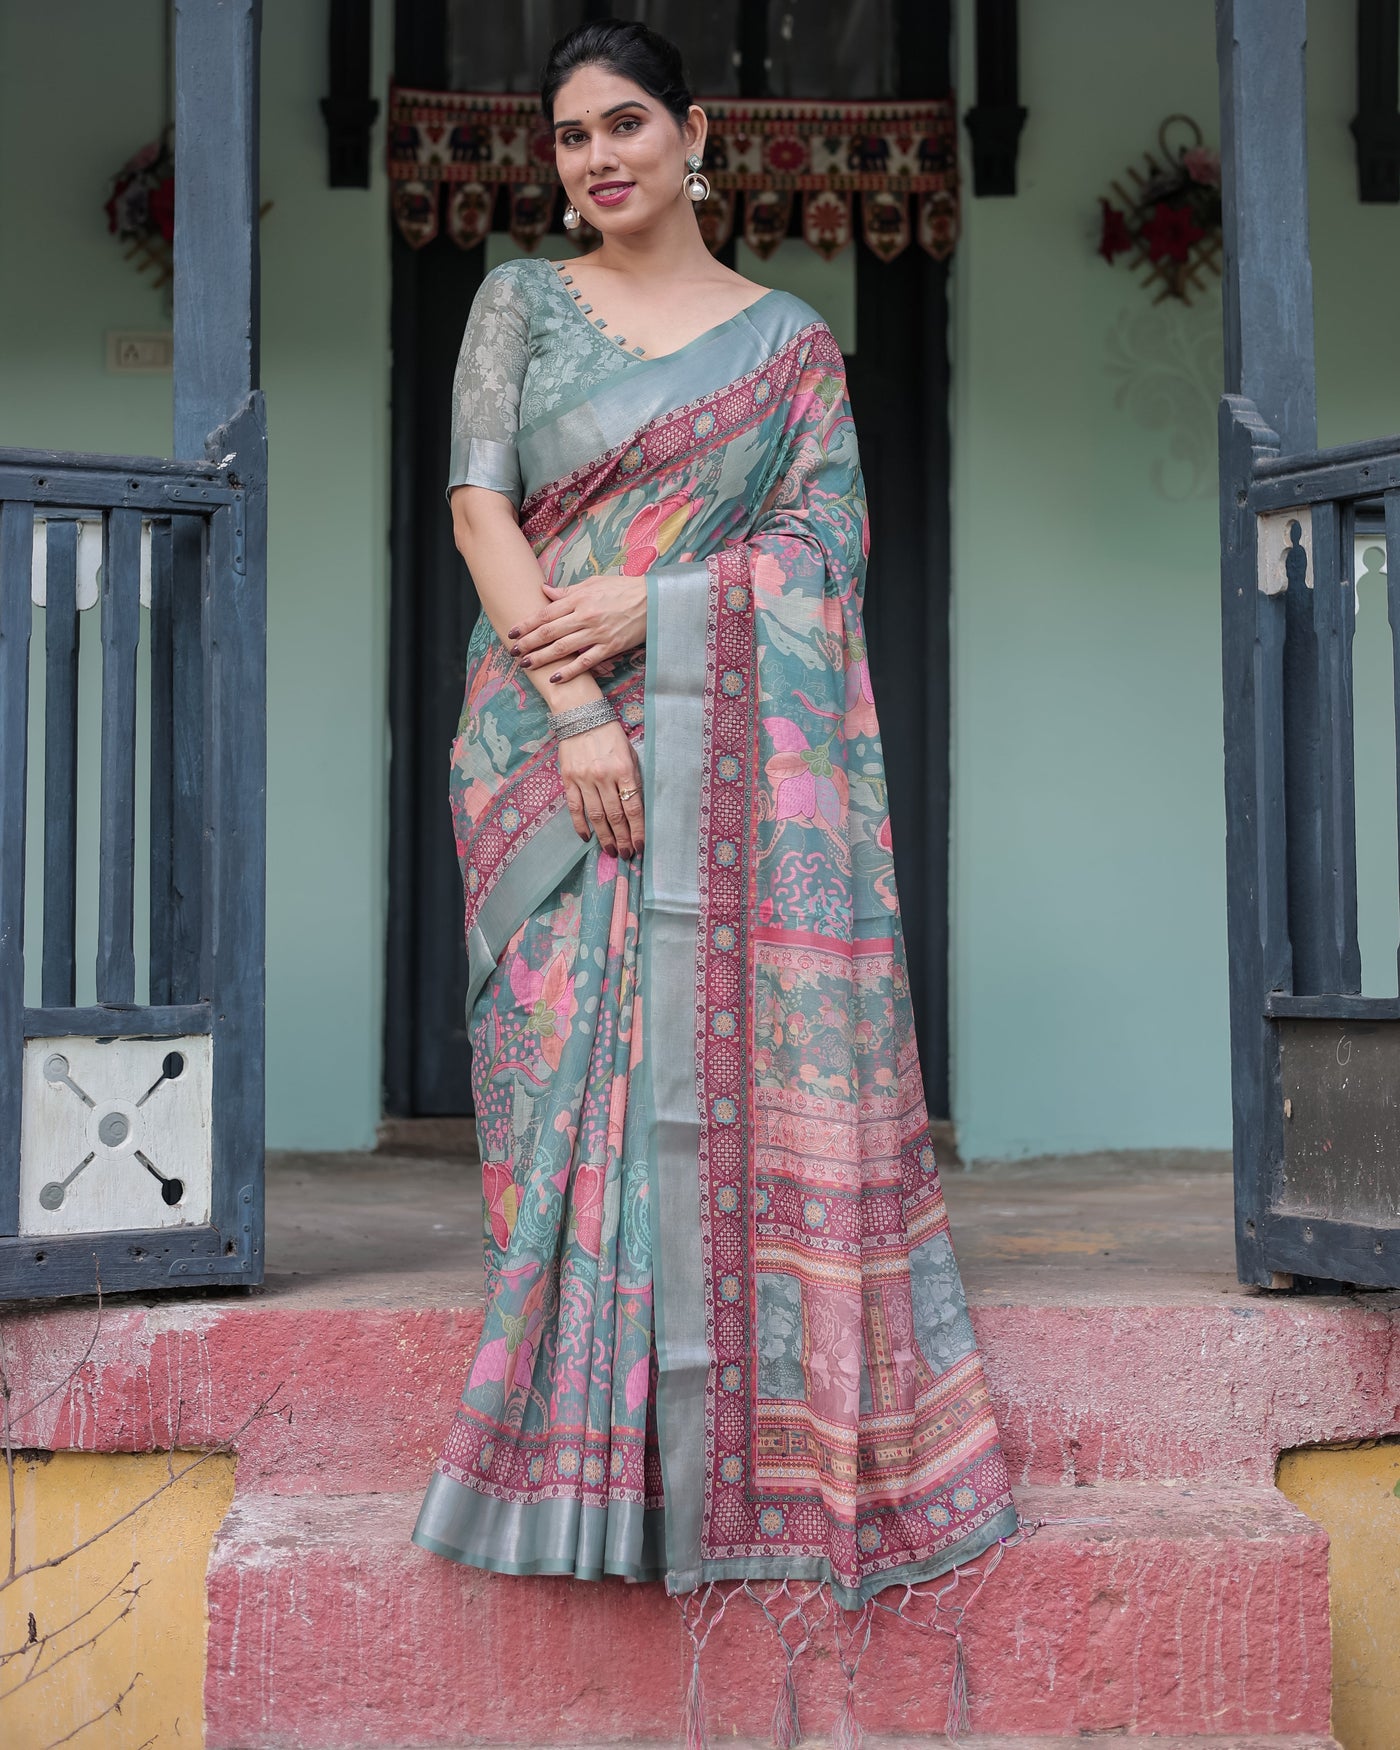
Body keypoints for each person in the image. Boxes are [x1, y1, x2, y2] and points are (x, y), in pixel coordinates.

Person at [413, 16, 1016, 1631]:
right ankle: (561, 1445)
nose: (597, 159)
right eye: (569, 139)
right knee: (559, 1078)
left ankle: (677, 1452)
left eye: (625, 126)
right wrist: (577, 696)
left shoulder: (790, 350)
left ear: (696, 132)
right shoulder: (519, 302)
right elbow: (480, 502)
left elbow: (824, 560)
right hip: (543, 737)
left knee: (698, 1075)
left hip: (705, 748)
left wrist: (656, 603)